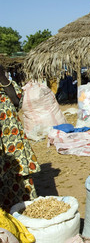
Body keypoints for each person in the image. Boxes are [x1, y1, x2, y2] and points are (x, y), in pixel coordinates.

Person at [0, 65, 40, 212]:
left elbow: (17, 102)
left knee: (18, 177)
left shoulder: (7, 84)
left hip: (12, 141)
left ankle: (24, 211)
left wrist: (2, 76)